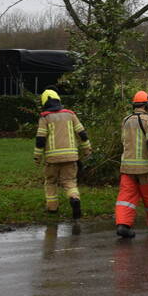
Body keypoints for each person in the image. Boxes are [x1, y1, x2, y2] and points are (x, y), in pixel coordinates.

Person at [114, 91, 148, 238]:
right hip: (145, 169)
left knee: (126, 197)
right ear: (147, 104)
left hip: (127, 167)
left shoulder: (125, 120)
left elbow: (124, 142)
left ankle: (123, 225)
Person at [34, 89, 92, 219]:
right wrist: (87, 149)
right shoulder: (70, 115)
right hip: (71, 157)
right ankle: (74, 198)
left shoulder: (45, 117)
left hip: (52, 158)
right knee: (70, 181)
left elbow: (40, 139)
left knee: (50, 182)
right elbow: (82, 133)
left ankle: (52, 208)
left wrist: (37, 156)